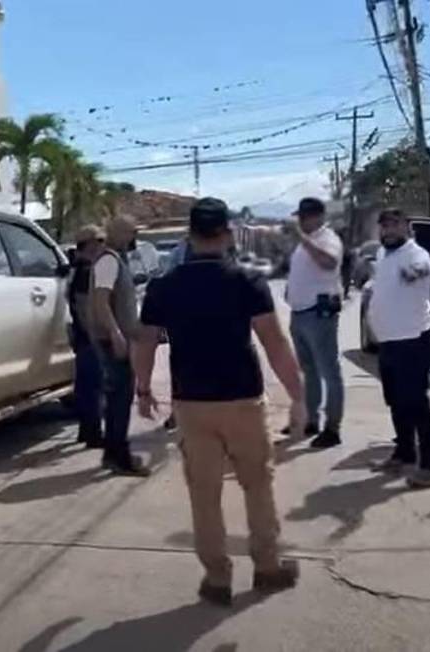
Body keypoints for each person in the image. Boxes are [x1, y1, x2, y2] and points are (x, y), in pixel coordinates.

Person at [134, 197, 306, 606]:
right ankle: (266, 567)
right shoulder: (246, 280)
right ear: (227, 234)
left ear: (189, 236)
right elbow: (274, 341)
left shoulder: (165, 286)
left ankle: (216, 578)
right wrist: (298, 396)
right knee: (257, 484)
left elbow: (145, 340)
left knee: (204, 492)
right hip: (243, 398)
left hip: (191, 402)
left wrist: (143, 389)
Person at [366, 209, 430, 489]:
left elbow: (421, 270)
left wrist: (412, 273)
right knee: (396, 402)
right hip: (389, 341)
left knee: (416, 403)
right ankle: (404, 453)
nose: (388, 230)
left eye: (395, 225)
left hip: (413, 339)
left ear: (407, 228)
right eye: (384, 225)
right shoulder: (383, 255)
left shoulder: (416, 254)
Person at [90, 215, 151, 476]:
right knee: (119, 400)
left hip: (119, 339)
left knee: (119, 398)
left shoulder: (116, 260)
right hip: (112, 342)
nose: (133, 239)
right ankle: (119, 456)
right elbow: (100, 302)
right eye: (130, 233)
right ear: (118, 233)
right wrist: (116, 334)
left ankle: (113, 455)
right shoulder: (108, 261)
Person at [285, 197, 346, 448]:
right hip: (300, 313)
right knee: (309, 371)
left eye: (304, 216)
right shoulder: (307, 243)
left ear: (317, 216)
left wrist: (300, 237)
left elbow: (329, 262)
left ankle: (333, 428)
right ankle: (312, 420)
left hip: (318, 313)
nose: (300, 220)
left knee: (328, 371)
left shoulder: (327, 238)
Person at [68, 225, 106, 448]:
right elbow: (83, 307)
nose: (102, 245)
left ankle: (86, 430)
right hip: (89, 338)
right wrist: (95, 335)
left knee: (85, 386)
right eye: (100, 241)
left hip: (83, 338)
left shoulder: (79, 269)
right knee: (93, 386)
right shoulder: (85, 272)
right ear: (90, 244)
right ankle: (92, 433)